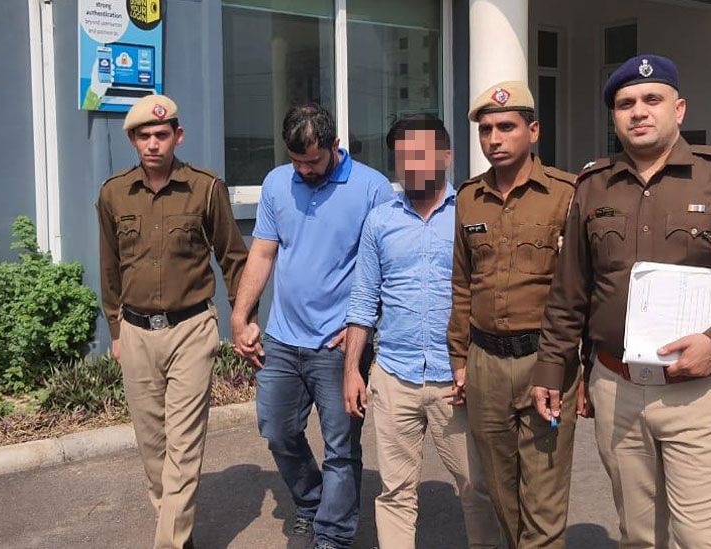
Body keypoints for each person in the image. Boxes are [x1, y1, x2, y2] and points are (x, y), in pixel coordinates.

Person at [532, 54, 711, 548]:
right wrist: (554, 371)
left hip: (700, 392)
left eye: (651, 100)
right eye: (625, 103)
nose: (638, 111)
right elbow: (570, 290)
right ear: (614, 117)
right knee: (637, 536)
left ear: (678, 109)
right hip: (617, 388)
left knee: (702, 538)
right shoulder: (592, 186)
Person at [229, 103, 395, 549]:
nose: (303, 169)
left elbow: (387, 265)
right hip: (283, 339)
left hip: (339, 345)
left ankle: (333, 537)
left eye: (313, 161)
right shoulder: (276, 184)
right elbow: (262, 252)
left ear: (335, 146)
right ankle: (310, 502)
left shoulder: (372, 189)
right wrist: (241, 314)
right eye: (296, 160)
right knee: (276, 430)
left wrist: (366, 324)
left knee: (341, 446)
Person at [96, 94, 252, 549]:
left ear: (177, 136)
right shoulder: (113, 194)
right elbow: (110, 269)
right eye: (143, 136)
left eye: (161, 135)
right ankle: (175, 530)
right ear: (132, 140)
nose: (152, 143)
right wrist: (116, 331)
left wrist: (242, 321)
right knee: (153, 449)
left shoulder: (205, 188)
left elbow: (234, 259)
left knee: (182, 449)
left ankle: (168, 542)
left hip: (191, 330)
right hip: (137, 332)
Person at [342, 115, 501, 549]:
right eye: (401, 156)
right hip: (394, 376)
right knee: (395, 493)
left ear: (446, 156)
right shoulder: (379, 221)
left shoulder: (470, 214)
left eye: (420, 154)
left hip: (457, 382)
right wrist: (352, 370)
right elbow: (363, 301)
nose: (409, 164)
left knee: (476, 489)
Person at [447, 81, 584, 548]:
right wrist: (459, 361)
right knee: (502, 498)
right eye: (486, 130)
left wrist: (575, 364)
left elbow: (580, 289)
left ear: (534, 130)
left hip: (544, 363)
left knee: (543, 508)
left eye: (506, 127)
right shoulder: (468, 199)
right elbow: (462, 283)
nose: (494, 139)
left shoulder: (566, 195)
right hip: (485, 364)